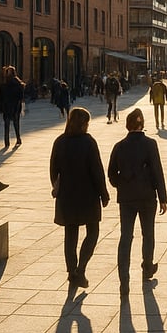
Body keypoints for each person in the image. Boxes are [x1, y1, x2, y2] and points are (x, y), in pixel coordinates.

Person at [107, 109, 167, 298]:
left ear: (128, 125)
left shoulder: (119, 146)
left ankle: (124, 281)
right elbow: (157, 171)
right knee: (148, 233)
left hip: (126, 199)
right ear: (141, 125)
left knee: (126, 237)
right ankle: (147, 268)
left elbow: (111, 174)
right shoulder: (150, 144)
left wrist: (121, 185)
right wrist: (163, 197)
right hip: (148, 197)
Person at [51, 108, 110, 287]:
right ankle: (80, 269)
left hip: (67, 197)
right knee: (93, 232)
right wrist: (104, 193)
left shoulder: (59, 142)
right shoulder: (88, 142)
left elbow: (53, 170)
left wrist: (57, 186)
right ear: (83, 123)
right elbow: (97, 171)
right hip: (88, 196)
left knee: (70, 235)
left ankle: (71, 272)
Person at [0, 66, 26, 148]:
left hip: (7, 107)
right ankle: (18, 138)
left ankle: (6, 142)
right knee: (16, 123)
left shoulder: (3, 85)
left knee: (6, 125)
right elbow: (21, 97)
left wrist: (0, 110)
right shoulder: (19, 85)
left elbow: (1, 99)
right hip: (15, 107)